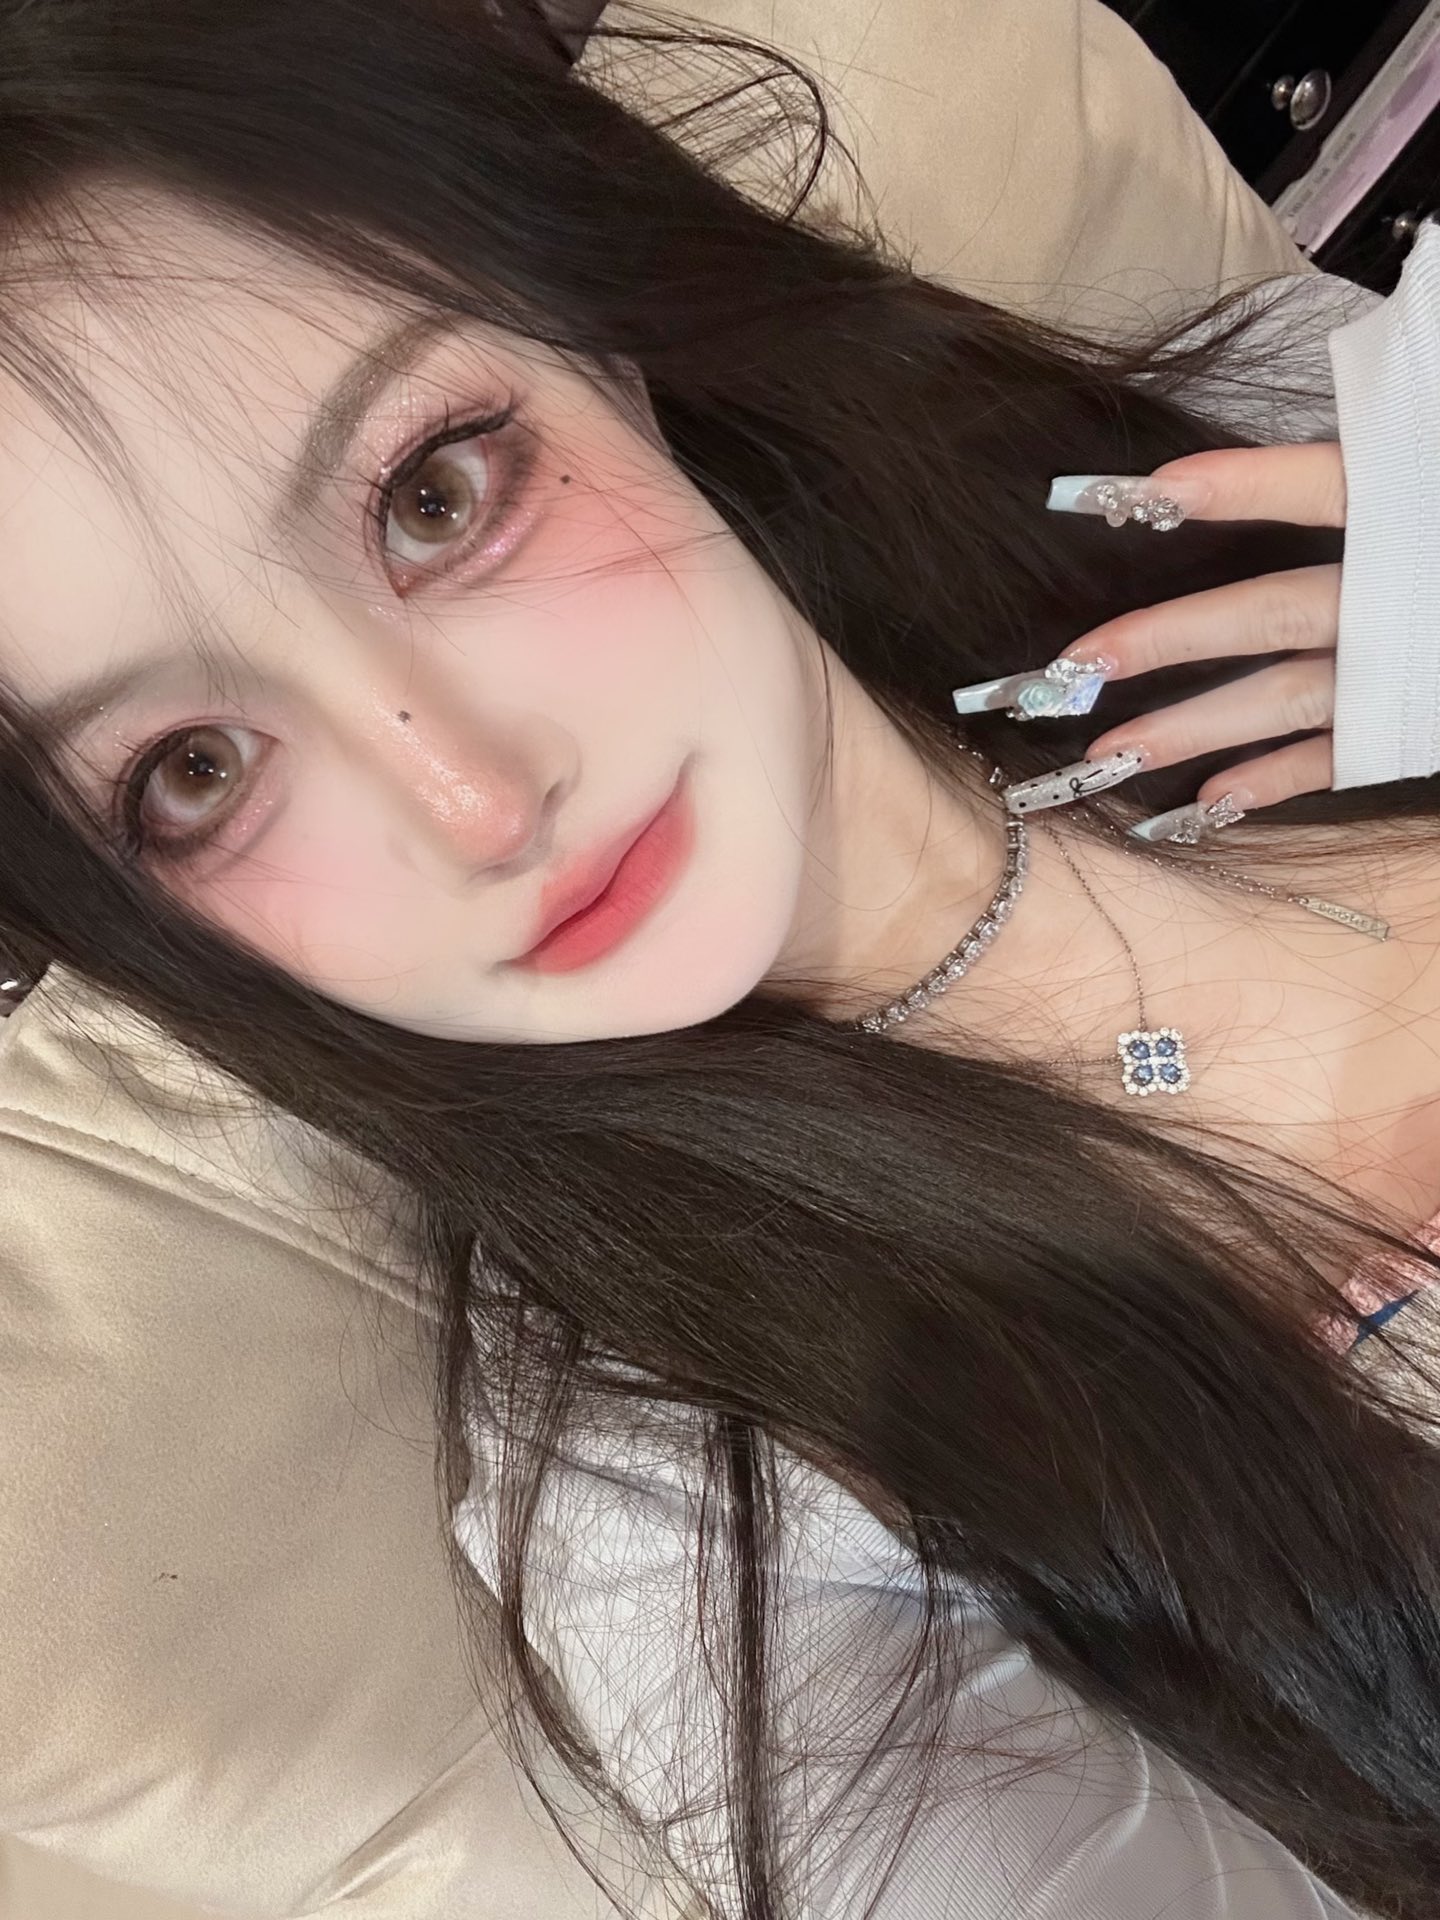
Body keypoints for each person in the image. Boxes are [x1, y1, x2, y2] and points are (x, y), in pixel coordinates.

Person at [0, 0, 1437, 1915]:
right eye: (194, 771)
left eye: (434, 496)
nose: (475, 800)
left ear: (586, 326)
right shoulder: (717, 1542)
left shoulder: (1252, 461)